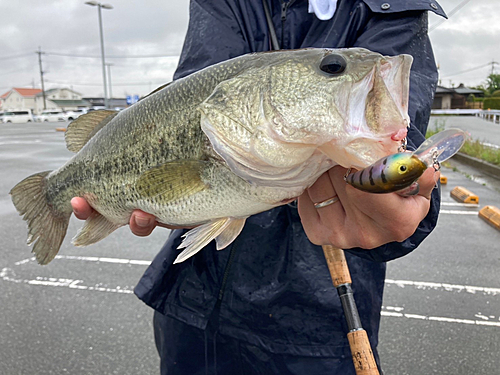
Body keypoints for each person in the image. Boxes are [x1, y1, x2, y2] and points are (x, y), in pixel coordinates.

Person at [71, 0, 446, 373]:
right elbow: (195, 95)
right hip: (195, 306)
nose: (375, 71)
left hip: (319, 328)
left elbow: (398, 134)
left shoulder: (394, 5)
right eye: (333, 68)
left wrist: (398, 183)